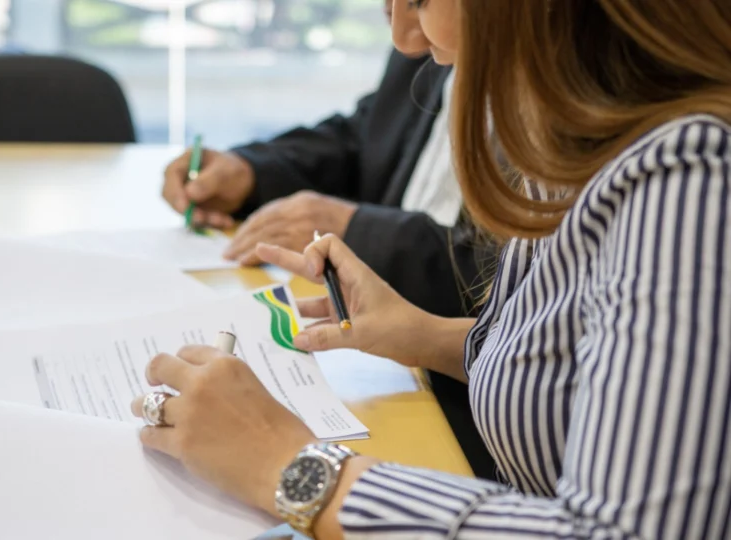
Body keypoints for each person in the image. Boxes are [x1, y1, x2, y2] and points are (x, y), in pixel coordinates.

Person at [133, 0, 731, 537]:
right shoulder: (576, 139)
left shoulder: (687, 178)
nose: (403, 39)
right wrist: (427, 336)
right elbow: (579, 365)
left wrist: (289, 466)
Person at [162, 4, 499, 480]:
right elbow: (367, 138)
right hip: (410, 374)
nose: (404, 40)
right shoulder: (434, 35)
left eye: (420, 1)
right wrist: (252, 172)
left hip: (474, 414)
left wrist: (359, 228)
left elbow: (511, 286)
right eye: (387, 9)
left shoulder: (586, 111)